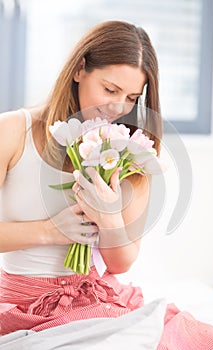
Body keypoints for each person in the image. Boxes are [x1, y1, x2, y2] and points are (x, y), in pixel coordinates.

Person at [0, 20, 162, 335]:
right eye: (110, 89)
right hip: (23, 303)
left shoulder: (129, 149)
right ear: (79, 70)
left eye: (131, 98)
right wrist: (50, 231)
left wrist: (110, 217)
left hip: (97, 300)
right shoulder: (12, 131)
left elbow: (121, 264)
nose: (118, 107)